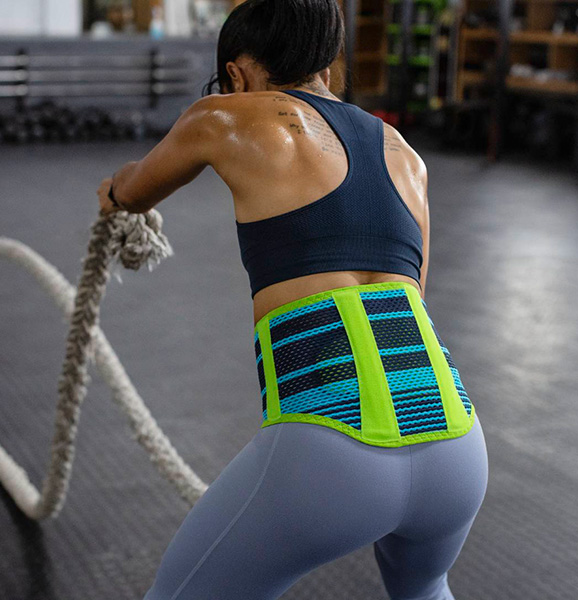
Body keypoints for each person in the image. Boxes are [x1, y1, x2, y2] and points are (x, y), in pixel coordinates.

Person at [97, 1, 488, 598]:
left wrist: (113, 195)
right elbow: (416, 297)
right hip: (456, 447)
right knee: (425, 589)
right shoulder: (404, 154)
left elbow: (135, 189)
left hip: (334, 448)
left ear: (237, 74)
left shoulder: (224, 116)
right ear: (326, 70)